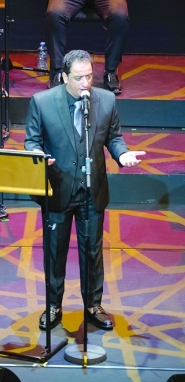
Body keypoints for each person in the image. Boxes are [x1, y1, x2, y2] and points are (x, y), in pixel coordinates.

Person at [25, 49, 145, 331]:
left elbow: (113, 137)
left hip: (92, 190)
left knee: (92, 252)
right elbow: (32, 142)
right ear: (64, 76)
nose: (85, 83)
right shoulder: (42, 103)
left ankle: (93, 305)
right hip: (58, 189)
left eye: (89, 76)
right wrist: (40, 157)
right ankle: (53, 306)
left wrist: (122, 154)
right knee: (55, 253)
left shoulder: (105, 99)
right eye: (78, 78)